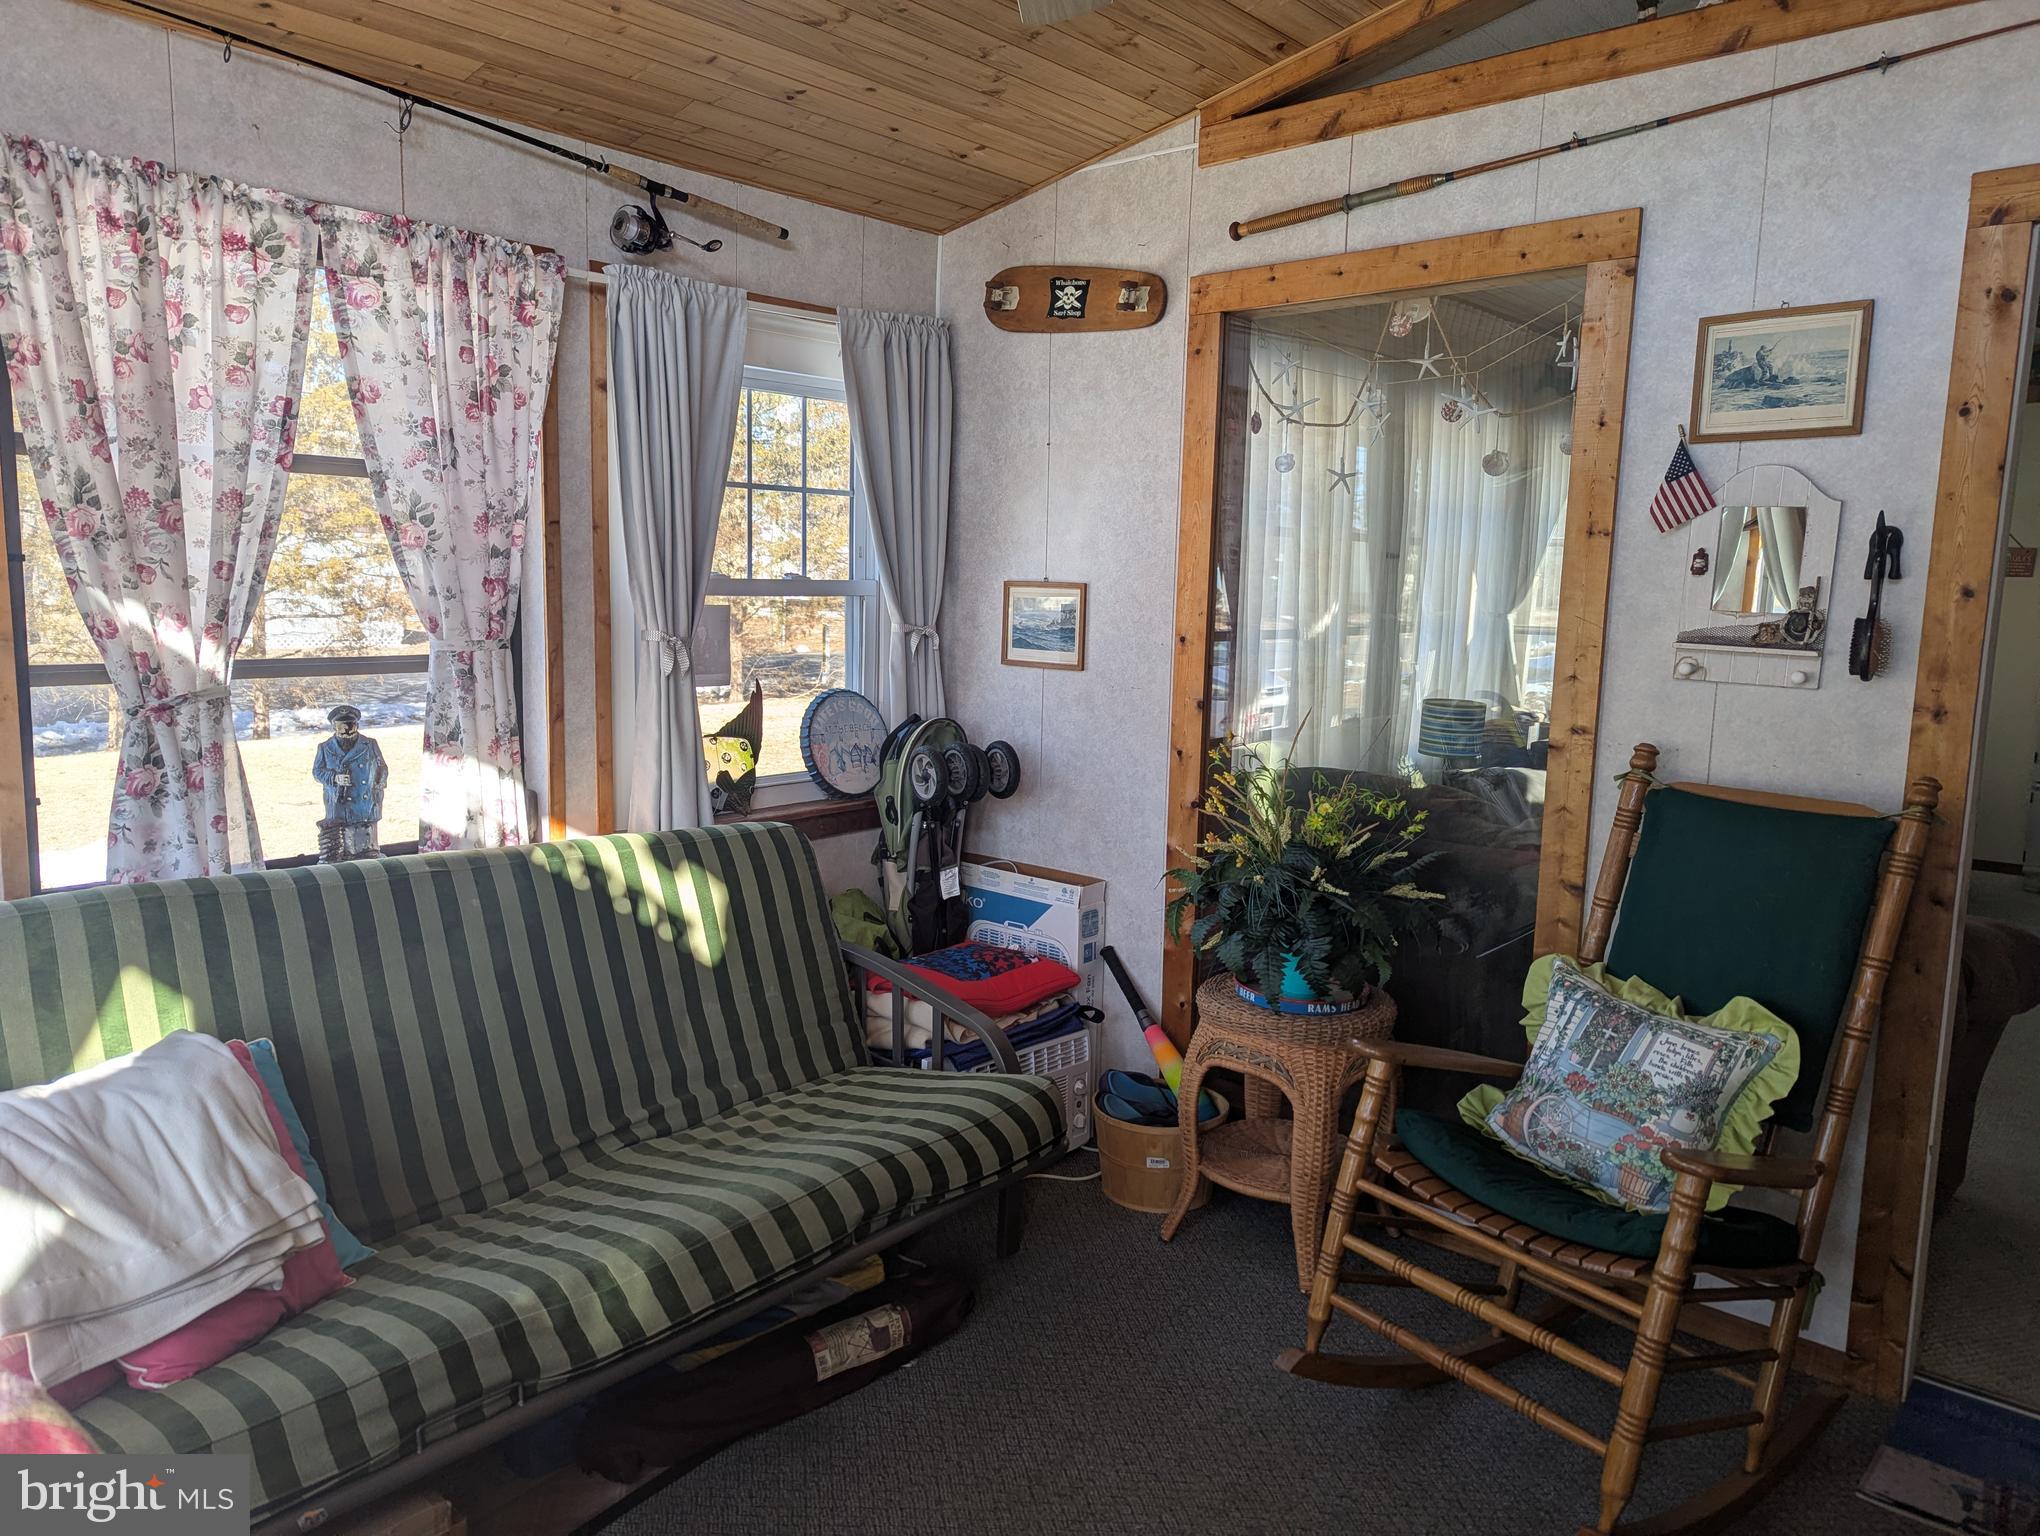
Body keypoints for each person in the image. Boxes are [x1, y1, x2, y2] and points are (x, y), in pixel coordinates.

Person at [312, 704, 389, 860]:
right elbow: (317, 772)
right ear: (334, 727)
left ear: (356, 725)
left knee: (366, 837)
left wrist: (378, 785)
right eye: (341, 726)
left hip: (365, 800)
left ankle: (368, 851)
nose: (346, 729)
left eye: (350, 724)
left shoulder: (370, 744)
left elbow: (382, 767)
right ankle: (345, 855)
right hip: (339, 801)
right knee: (343, 837)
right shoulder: (325, 747)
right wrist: (335, 778)